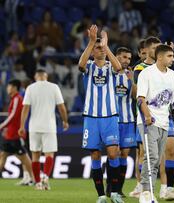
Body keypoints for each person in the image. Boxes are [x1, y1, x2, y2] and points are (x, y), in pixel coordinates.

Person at [137, 44, 174, 203]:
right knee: (151, 157)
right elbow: (140, 99)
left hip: (165, 122)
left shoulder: (172, 75)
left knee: (158, 159)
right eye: (170, 56)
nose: (173, 59)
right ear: (160, 57)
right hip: (148, 122)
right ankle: (146, 192)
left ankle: (150, 190)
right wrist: (147, 115)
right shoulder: (146, 74)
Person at [77, 24, 123, 203]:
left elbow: (119, 67)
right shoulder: (88, 67)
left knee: (113, 154)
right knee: (95, 155)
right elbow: (80, 65)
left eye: (101, 47)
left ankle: (115, 193)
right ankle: (101, 195)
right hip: (91, 118)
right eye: (98, 48)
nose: (101, 50)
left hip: (110, 117)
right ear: (93, 51)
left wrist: (106, 45)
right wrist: (91, 42)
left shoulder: (111, 67)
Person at [17, 69, 68, 191]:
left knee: (35, 156)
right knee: (49, 154)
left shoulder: (30, 88)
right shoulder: (54, 87)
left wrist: (22, 126)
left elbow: (25, 109)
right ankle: (45, 176)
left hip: (34, 126)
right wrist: (65, 121)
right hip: (49, 126)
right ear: (46, 76)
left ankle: (38, 183)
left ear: (36, 77)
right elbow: (61, 107)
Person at [129, 36, 162, 198]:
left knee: (155, 155)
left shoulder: (160, 68)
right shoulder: (139, 69)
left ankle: (151, 187)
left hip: (160, 116)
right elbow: (136, 94)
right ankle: (141, 185)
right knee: (142, 153)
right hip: (143, 116)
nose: (144, 55)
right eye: (142, 53)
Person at [105, 47, 135, 197]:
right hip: (113, 119)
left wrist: (133, 80)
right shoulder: (109, 73)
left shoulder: (131, 75)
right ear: (116, 57)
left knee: (124, 154)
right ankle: (110, 186)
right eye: (124, 57)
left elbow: (136, 96)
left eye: (129, 58)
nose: (126, 61)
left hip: (128, 120)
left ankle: (119, 188)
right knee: (113, 153)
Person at [0, 79, 34, 185]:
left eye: (9, 86)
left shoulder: (17, 98)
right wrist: (6, 128)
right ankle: (29, 178)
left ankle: (34, 178)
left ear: (14, 88)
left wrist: (2, 125)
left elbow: (13, 115)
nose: (7, 88)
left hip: (16, 134)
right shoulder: (14, 99)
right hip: (10, 134)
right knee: (3, 155)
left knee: (23, 156)